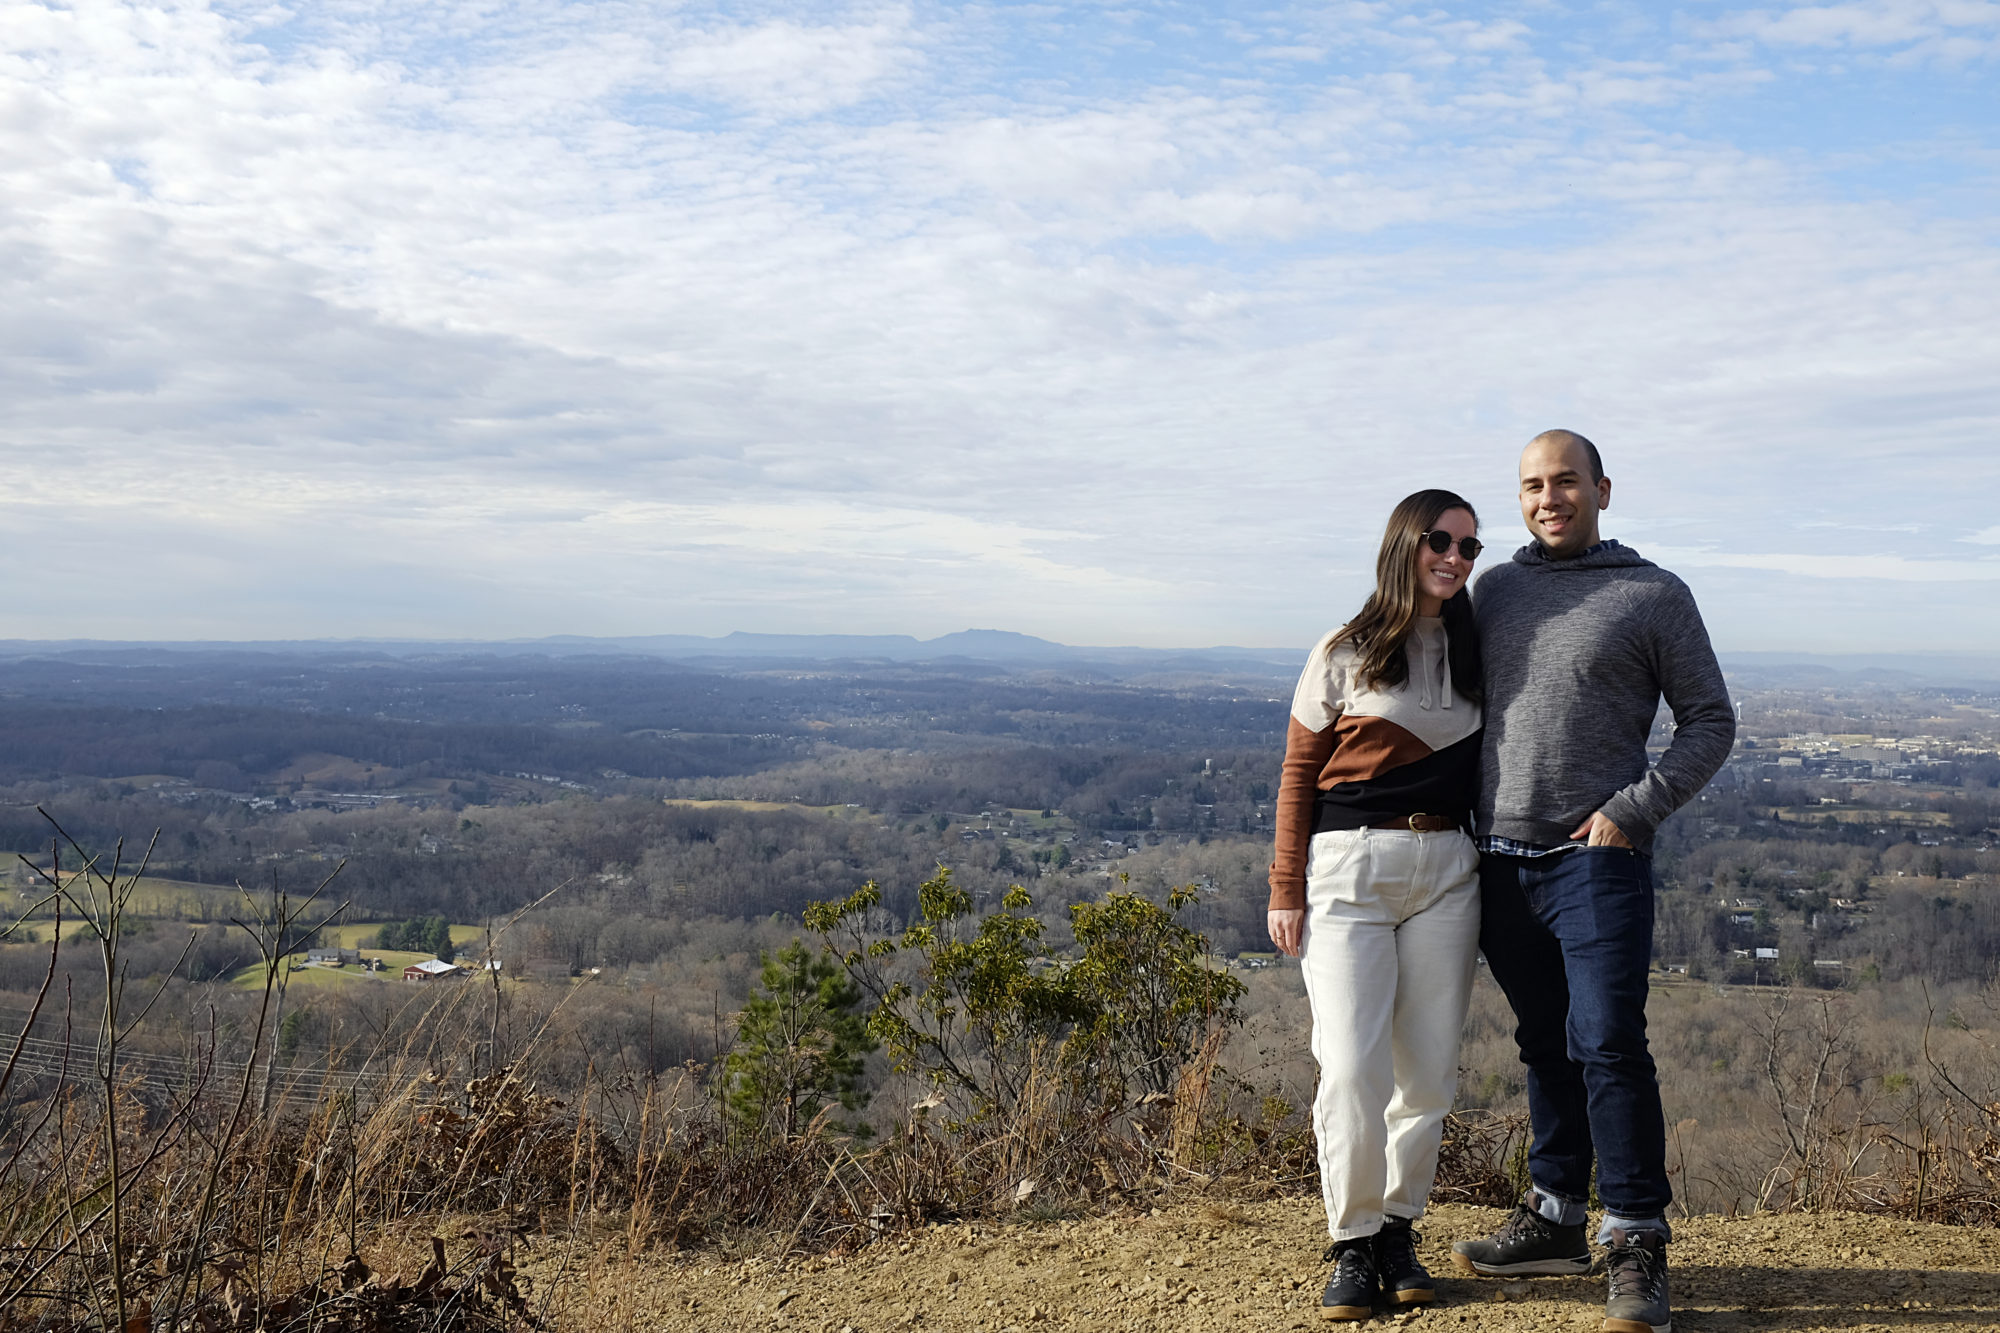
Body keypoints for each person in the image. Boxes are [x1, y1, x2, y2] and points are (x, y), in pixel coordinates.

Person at [1450, 430, 1735, 1333]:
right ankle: (1556, 1216)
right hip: (1499, 857)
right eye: (1532, 485)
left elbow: (1709, 721)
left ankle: (1637, 1240)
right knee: (1544, 1042)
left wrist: (1633, 811)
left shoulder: (1653, 594)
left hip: (1597, 858)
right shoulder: (1495, 590)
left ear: (1602, 489)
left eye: (1564, 481)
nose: (1548, 497)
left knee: (1609, 1040)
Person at [1267, 489, 1487, 1322]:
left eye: (1469, 547)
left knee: (1427, 1073)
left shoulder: (1476, 649)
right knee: (1354, 1068)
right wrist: (1286, 887)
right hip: (1349, 870)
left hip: (1447, 872)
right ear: (1404, 543)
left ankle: (1399, 1229)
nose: (1455, 558)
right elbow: (1297, 772)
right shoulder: (1345, 648)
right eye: (1440, 540)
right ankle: (1352, 1241)